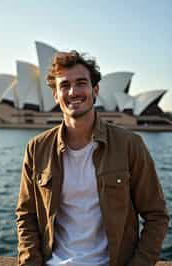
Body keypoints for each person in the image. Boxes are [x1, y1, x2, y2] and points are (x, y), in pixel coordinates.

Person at [16, 51, 169, 266]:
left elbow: (156, 216)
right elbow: (26, 215)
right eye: (65, 85)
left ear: (95, 90)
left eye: (81, 83)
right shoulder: (37, 148)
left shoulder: (129, 145)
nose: (73, 92)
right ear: (55, 95)